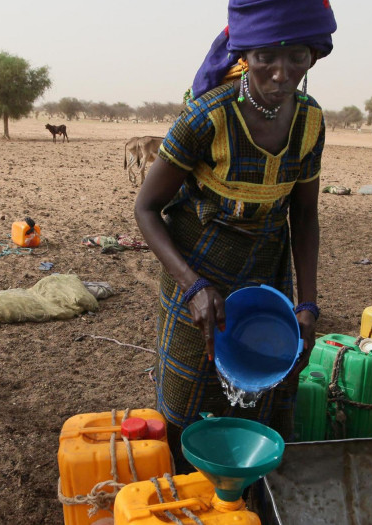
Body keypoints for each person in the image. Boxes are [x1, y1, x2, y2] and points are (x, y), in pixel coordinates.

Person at [133, 0, 335, 466]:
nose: (281, 73)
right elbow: (146, 208)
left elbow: (305, 217)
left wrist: (306, 304)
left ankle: (245, 487)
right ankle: (187, 484)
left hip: (266, 269)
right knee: (188, 394)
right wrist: (194, 286)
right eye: (266, 56)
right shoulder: (207, 116)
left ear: (313, 57)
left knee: (265, 380)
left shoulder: (310, 122)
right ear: (244, 54)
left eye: (297, 58)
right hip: (196, 264)